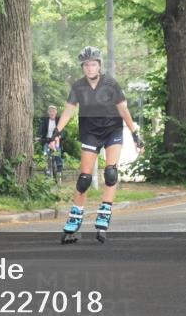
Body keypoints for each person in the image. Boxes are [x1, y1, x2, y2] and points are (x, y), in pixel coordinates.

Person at [50, 46, 143, 243]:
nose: (90, 68)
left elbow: (124, 111)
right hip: (90, 132)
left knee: (110, 173)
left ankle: (104, 213)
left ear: (99, 65)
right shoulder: (78, 87)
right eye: (86, 65)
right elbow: (68, 111)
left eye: (93, 64)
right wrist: (56, 132)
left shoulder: (111, 84)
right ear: (83, 67)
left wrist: (135, 134)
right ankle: (75, 218)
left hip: (112, 131)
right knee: (84, 178)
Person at [38, 105, 63, 176]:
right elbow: (41, 129)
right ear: (48, 113)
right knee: (45, 154)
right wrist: (39, 136)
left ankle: (59, 165)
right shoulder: (45, 120)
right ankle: (46, 168)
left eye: (53, 111)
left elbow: (62, 130)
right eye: (50, 111)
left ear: (56, 112)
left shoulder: (59, 120)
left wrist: (59, 136)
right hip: (47, 140)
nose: (52, 113)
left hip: (56, 139)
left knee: (57, 150)